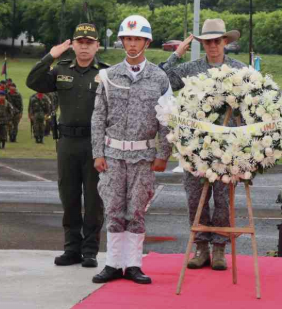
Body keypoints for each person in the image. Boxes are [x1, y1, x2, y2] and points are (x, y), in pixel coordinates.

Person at [158, 18, 247, 271]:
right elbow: (160, 79)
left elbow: (252, 105)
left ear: (225, 42)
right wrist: (177, 54)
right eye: (207, 42)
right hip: (194, 148)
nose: (212, 47)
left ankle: (219, 248)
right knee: (195, 199)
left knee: (222, 200)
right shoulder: (191, 68)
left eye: (217, 41)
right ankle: (201, 247)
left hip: (226, 148)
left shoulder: (240, 70)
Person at [90, 15, 172, 285]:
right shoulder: (109, 76)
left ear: (147, 42)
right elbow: (98, 117)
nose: (132, 44)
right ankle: (113, 263)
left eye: (138, 39)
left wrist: (163, 154)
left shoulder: (159, 78)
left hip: (144, 157)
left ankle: (134, 264)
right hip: (113, 154)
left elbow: (167, 119)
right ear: (122, 41)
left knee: (136, 210)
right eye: (128, 39)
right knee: (113, 208)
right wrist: (97, 153)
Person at [27, 23, 108, 268]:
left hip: (95, 144)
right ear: (72, 45)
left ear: (97, 46)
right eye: (80, 42)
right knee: (69, 197)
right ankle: (71, 249)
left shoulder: (106, 73)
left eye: (89, 43)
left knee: (94, 200)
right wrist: (51, 55)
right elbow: (33, 81)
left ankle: (90, 251)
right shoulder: (60, 69)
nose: (84, 47)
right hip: (67, 143)